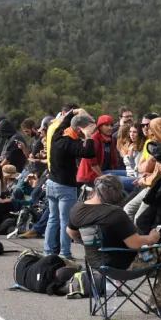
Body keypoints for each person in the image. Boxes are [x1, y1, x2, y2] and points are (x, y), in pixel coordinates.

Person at [67, 175, 161, 313]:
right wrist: (152, 237)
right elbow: (135, 244)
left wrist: (88, 244)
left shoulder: (77, 209)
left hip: (95, 264)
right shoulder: (114, 214)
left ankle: (157, 301)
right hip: (122, 267)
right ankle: (156, 302)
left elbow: (71, 232)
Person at [46, 111, 97, 261]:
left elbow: (66, 120)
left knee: (52, 219)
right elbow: (89, 153)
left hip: (51, 183)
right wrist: (88, 136)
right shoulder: (71, 144)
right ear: (80, 129)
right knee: (64, 222)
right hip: (65, 187)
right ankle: (64, 254)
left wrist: (75, 111)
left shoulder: (58, 133)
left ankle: (48, 251)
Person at [77, 115, 125, 188]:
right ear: (100, 126)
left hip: (105, 172)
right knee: (130, 182)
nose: (110, 128)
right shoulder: (94, 139)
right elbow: (92, 162)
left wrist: (114, 173)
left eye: (111, 125)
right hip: (91, 176)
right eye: (106, 125)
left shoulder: (109, 140)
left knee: (129, 173)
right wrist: (102, 177)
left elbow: (113, 160)